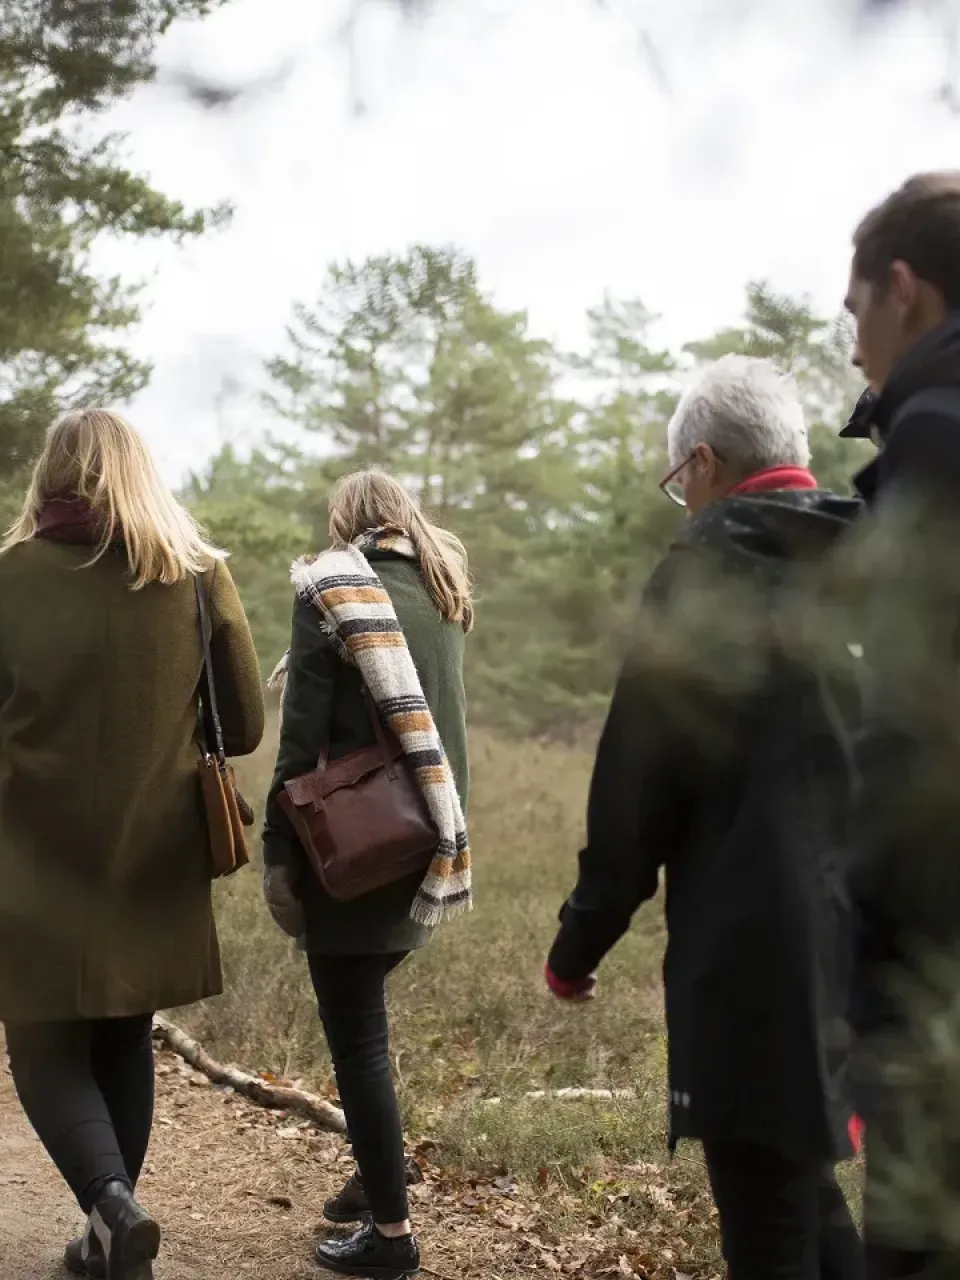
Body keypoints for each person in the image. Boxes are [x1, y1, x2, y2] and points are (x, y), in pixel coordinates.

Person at [545, 355, 864, 1280]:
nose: (680, 501)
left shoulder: (702, 575)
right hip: (869, 938)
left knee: (766, 1215)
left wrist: (578, 946)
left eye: (678, 479)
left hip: (752, 949)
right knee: (802, 1185)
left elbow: (637, 788)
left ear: (707, 463)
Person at [0, 410, 265, 1279]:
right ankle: (109, 1234)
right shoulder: (196, 577)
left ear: (53, 476)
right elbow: (246, 724)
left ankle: (111, 1209)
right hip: (155, 856)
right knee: (123, 1035)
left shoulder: (11, 577)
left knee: (40, 1042)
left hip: (31, 854)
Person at [262, 469, 471, 1279]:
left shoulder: (330, 590)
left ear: (347, 521)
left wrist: (279, 857)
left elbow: (298, 740)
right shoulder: (443, 589)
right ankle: (375, 1169)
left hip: (355, 847)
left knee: (359, 1042)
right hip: (432, 838)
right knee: (369, 1025)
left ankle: (392, 1235)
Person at [840, 172, 960, 1279]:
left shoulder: (931, 435)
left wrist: (861, 962)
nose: (854, 338)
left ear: (905, 289)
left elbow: (912, 728)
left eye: (856, 308)